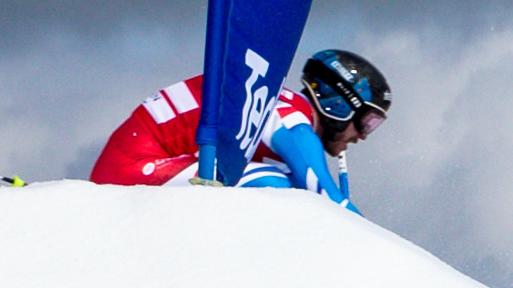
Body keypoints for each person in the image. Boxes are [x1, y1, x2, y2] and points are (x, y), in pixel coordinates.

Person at [90, 49, 389, 206]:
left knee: (283, 182)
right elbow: (321, 189)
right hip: (127, 169)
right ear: (339, 104)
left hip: (141, 162)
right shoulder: (289, 114)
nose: (362, 135)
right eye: (367, 121)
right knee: (285, 187)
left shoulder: (277, 100)